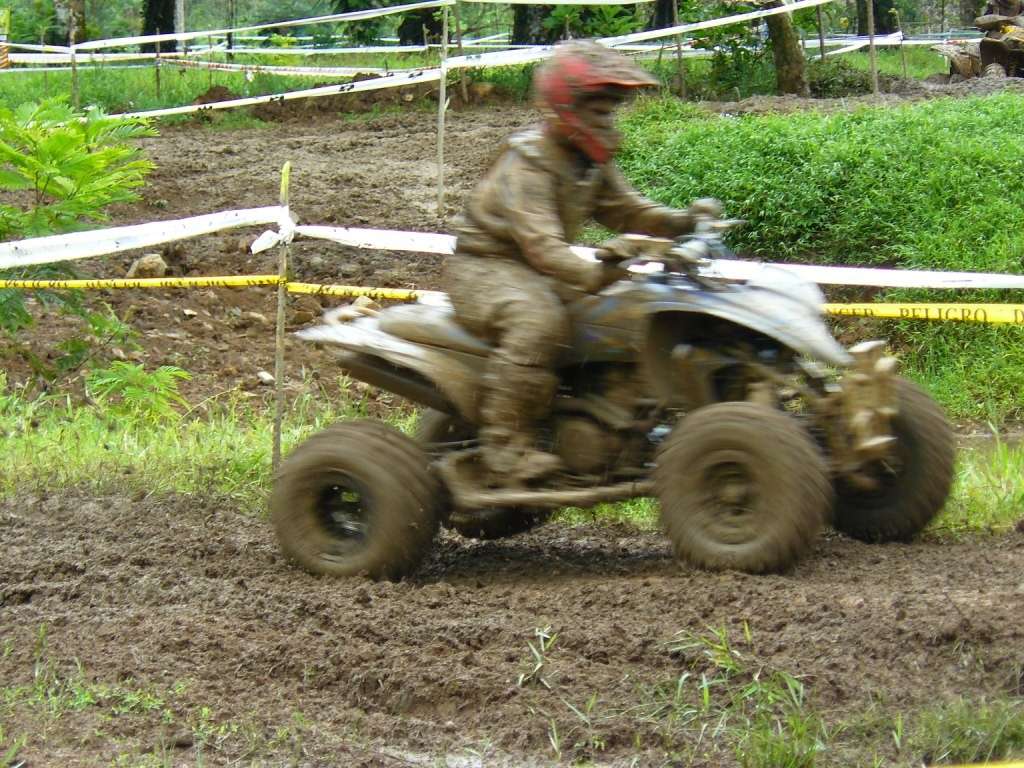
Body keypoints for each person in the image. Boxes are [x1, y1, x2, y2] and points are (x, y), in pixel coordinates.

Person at [442, 39, 721, 483]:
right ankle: (504, 446)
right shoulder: (529, 163)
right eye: (599, 109)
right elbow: (543, 247)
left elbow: (629, 210)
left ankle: (614, 415)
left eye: (612, 109)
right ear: (565, 105)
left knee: (635, 309)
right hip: (487, 268)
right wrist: (595, 272)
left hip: (536, 270)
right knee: (539, 324)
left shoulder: (587, 161)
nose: (608, 118)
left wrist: (684, 220)